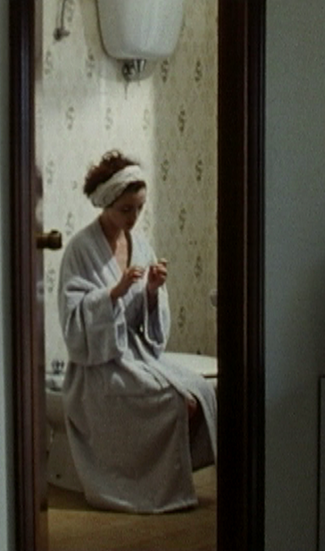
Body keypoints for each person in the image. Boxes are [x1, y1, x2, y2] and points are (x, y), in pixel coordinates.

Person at [57, 149, 217, 513]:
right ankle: (141, 485)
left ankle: (165, 476)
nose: (133, 217)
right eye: (125, 209)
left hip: (136, 352)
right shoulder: (80, 249)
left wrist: (152, 291)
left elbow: (147, 321)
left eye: (139, 209)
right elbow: (73, 318)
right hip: (97, 362)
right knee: (173, 402)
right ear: (106, 203)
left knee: (200, 391)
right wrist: (113, 293)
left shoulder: (140, 244)